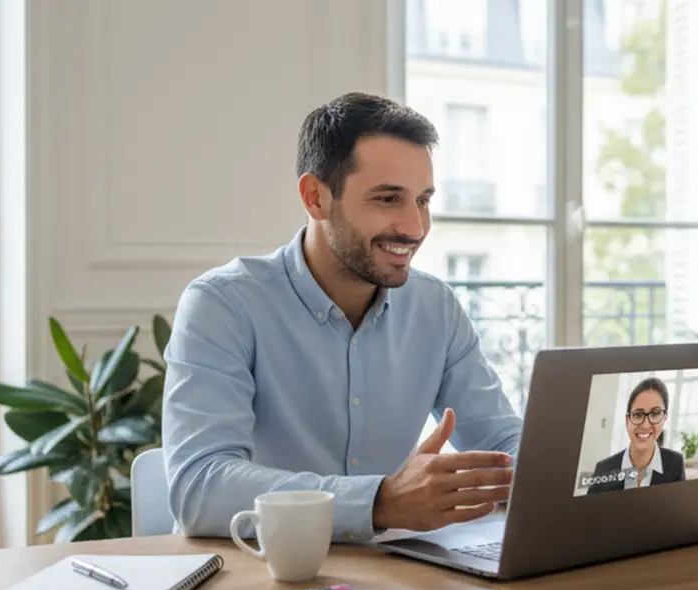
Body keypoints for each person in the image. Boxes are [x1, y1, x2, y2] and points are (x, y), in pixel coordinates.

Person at [161, 91, 522, 544]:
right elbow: (200, 487)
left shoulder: (436, 308)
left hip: (391, 571)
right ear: (315, 197)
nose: (415, 228)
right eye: (388, 198)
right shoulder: (223, 305)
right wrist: (379, 502)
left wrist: (561, 474)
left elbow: (501, 441)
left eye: (423, 201)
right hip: (255, 569)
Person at [586, 377, 686, 494]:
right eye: (638, 415)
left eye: (655, 413)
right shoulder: (603, 469)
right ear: (627, 420)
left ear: (664, 418)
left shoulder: (675, 464)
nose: (645, 425)